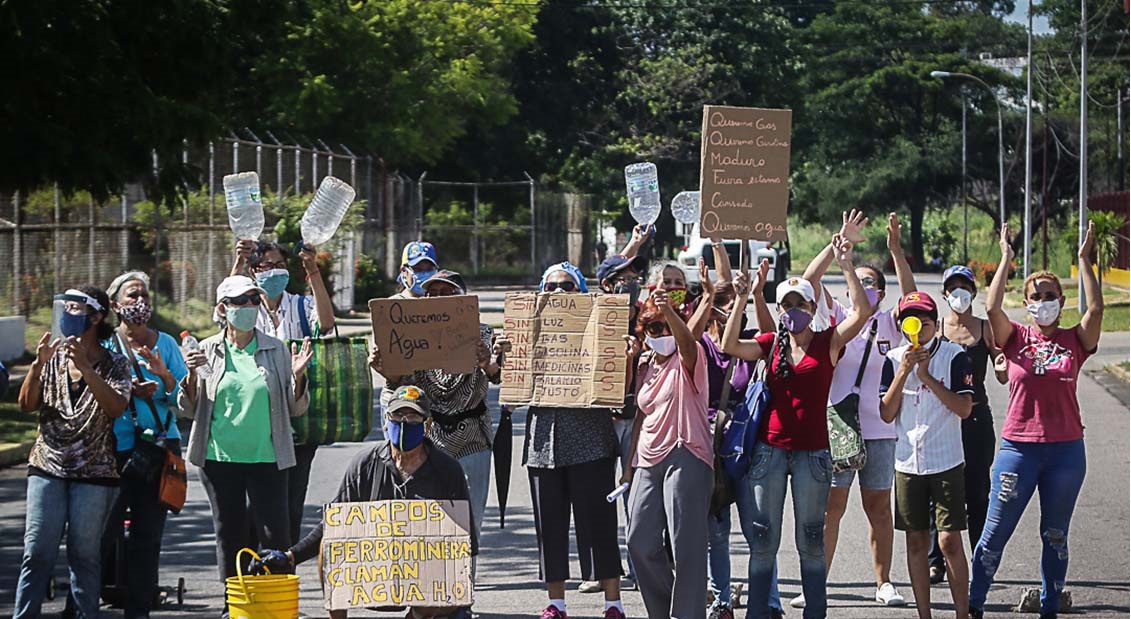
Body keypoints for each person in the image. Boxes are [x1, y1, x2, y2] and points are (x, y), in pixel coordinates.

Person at [722, 230, 870, 619]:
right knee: (763, 539)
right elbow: (730, 346)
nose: (792, 310)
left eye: (799, 302)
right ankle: (758, 612)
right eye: (785, 304)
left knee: (810, 540)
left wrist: (847, 264)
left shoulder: (828, 341)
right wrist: (742, 299)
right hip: (769, 452)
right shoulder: (771, 342)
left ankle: (814, 613)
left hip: (813, 454)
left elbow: (862, 313)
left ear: (811, 304)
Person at [968, 223, 1103, 619]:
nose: (1043, 301)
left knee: (1055, 535)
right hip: (1018, 450)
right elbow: (992, 309)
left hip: (1065, 452)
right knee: (994, 534)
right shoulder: (1015, 338)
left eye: (1050, 296)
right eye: (1036, 296)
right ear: (1026, 302)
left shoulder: (1075, 341)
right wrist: (1006, 258)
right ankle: (974, 603)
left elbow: (1095, 310)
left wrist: (1084, 261)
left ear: (1061, 300)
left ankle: (1049, 606)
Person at [249, 385, 476, 619]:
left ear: (427, 424)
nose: (405, 422)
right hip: (374, 570)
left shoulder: (447, 470)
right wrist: (290, 556)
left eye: (413, 416)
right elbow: (334, 522)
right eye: (398, 415)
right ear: (386, 422)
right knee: (330, 543)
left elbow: (464, 543)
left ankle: (419, 615)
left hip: (426, 576)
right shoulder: (365, 464)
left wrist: (458, 593)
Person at [792, 212, 915, 610]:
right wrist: (837, 247)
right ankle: (816, 584)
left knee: (878, 506)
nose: (864, 286)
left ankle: (883, 582)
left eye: (871, 283)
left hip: (878, 427)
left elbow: (915, 300)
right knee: (832, 509)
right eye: (859, 281)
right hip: (837, 426)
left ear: (881, 291)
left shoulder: (888, 323)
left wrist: (895, 251)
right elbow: (808, 283)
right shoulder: (837, 318)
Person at [177, 276, 312, 600]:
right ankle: (235, 604)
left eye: (255, 300)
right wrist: (191, 375)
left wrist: (298, 376)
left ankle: (274, 602)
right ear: (223, 309)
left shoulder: (276, 349)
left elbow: (296, 409)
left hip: (268, 457)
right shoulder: (206, 350)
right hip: (219, 459)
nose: (250, 306)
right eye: (242, 301)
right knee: (230, 535)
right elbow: (188, 409)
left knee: (275, 536)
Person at [14, 286, 132, 619]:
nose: (66, 313)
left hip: (94, 472)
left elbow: (115, 407)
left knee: (84, 555)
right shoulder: (52, 358)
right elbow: (26, 404)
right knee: (36, 552)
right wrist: (38, 366)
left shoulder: (115, 364)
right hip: (47, 465)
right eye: (63, 307)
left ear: (96, 317)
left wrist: (88, 369)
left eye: (75, 309)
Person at [519, 262, 627, 619]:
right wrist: (505, 356)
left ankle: (613, 602)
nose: (559, 294)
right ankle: (556, 602)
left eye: (567, 286)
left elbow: (619, 388)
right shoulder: (527, 329)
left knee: (599, 524)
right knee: (549, 526)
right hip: (542, 445)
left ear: (582, 293)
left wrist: (621, 354)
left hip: (590, 441)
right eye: (551, 287)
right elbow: (506, 382)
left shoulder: (600, 328)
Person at [371, 269, 500, 552]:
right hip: (429, 438)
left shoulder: (483, 334)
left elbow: (500, 376)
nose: (439, 299)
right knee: (426, 516)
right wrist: (386, 371)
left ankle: (466, 581)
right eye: (433, 293)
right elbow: (400, 384)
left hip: (472, 437)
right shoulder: (411, 334)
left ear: (461, 298)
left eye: (447, 293)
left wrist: (487, 364)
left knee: (470, 516)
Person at [684, 246, 776, 619]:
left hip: (749, 448)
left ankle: (768, 602)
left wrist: (754, 293)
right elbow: (683, 343)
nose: (729, 307)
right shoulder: (702, 345)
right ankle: (721, 601)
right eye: (722, 303)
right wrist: (710, 295)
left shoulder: (749, 339)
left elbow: (774, 340)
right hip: (711, 447)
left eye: (731, 302)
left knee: (759, 530)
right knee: (716, 532)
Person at [232, 239, 335, 545]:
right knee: (252, 504)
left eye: (280, 265)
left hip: (296, 421)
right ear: (254, 272)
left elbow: (326, 323)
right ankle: (251, 570)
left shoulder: (301, 307)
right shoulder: (245, 309)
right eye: (267, 266)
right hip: (254, 421)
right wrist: (237, 265)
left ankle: (282, 565)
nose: (275, 272)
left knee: (290, 502)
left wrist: (313, 270)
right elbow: (221, 311)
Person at [879, 292, 975, 619]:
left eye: (925, 323)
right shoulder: (892, 359)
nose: (918, 331)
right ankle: (925, 614)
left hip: (946, 459)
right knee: (916, 541)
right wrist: (904, 371)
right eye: (911, 323)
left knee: (949, 540)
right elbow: (887, 413)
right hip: (907, 462)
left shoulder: (955, 355)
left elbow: (964, 408)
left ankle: (963, 613)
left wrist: (927, 378)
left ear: (936, 324)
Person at [624, 271, 712, 619]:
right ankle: (663, 611)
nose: (661, 334)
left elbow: (687, 342)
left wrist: (672, 315)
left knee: (685, 546)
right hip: (647, 458)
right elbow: (637, 416)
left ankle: (687, 614)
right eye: (653, 329)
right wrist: (628, 468)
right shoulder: (646, 364)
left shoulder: (689, 356)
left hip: (685, 452)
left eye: (666, 328)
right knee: (639, 541)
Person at [102, 271, 190, 619]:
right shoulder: (106, 343)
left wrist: (164, 376)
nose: (139, 304)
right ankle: (80, 606)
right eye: (131, 297)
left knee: (147, 537)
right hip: (113, 450)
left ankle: (139, 610)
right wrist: (127, 392)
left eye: (144, 296)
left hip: (158, 450)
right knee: (100, 534)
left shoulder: (165, 343)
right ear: (114, 305)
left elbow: (184, 398)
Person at [927, 265, 1006, 585]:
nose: (959, 293)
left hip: (977, 418)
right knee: (940, 491)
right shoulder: (940, 329)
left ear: (973, 292)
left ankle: (980, 556)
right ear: (944, 294)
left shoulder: (985, 329)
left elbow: (1002, 370)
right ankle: (936, 561)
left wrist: (1002, 366)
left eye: (965, 287)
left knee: (977, 491)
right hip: (944, 420)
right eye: (952, 288)